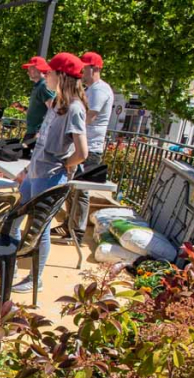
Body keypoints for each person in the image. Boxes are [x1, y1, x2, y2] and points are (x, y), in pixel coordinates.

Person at [10, 52, 88, 294]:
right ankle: (9, 267)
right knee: (13, 220)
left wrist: (65, 165)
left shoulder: (75, 109)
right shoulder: (56, 104)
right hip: (35, 172)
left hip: (49, 177)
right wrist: (26, 169)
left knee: (39, 228)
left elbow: (82, 151)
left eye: (50, 72)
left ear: (62, 76)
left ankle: (36, 278)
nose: (46, 76)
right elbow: (42, 142)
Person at [68, 51, 114, 244]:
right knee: (73, 189)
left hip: (90, 148)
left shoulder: (99, 91)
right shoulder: (91, 89)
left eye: (84, 67)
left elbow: (88, 118)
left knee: (81, 190)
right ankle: (70, 226)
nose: (80, 71)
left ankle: (77, 231)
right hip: (83, 144)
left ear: (94, 68)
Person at [22, 56, 56, 138]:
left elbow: (53, 111)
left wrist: (41, 131)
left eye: (31, 69)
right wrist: (23, 109)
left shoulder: (43, 85)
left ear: (39, 69)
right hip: (33, 131)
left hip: (37, 133)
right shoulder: (38, 85)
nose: (28, 72)